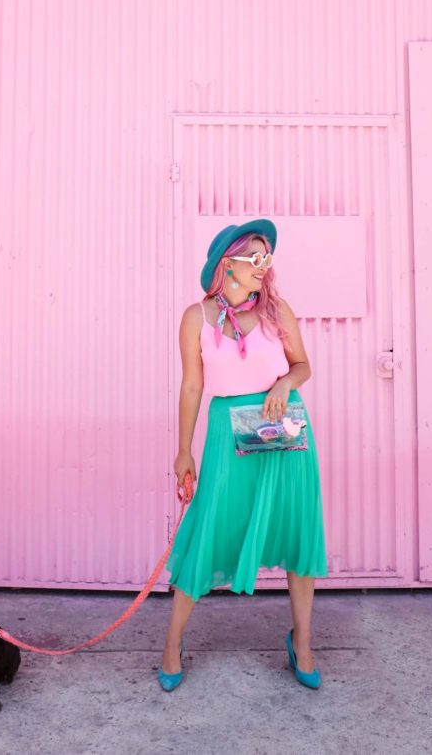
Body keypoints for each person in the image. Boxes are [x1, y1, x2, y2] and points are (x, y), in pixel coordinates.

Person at [158, 220, 328, 692]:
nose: (264, 266)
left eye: (267, 257)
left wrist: (285, 382)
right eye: (255, 257)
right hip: (226, 432)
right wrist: (182, 452)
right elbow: (192, 386)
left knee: (297, 535)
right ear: (226, 264)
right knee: (208, 530)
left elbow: (303, 366)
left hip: (284, 429)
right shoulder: (197, 317)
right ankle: (172, 643)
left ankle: (304, 641)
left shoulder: (277, 311)